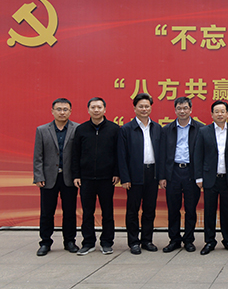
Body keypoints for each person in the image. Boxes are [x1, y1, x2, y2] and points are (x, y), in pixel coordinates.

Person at [71, 97, 120, 256]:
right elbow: (75, 154)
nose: (96, 110)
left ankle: (107, 242)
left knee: (107, 212)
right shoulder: (81, 129)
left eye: (99, 107)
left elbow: (118, 153)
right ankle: (88, 242)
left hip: (107, 178)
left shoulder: (114, 129)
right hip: (86, 178)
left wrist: (117, 173)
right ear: (88, 110)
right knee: (87, 212)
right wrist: (76, 174)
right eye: (93, 107)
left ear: (105, 109)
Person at [117, 93, 164, 255]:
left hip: (152, 174)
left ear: (151, 108)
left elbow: (162, 154)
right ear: (135, 108)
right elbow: (121, 156)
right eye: (141, 106)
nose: (144, 109)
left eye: (147, 106)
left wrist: (161, 176)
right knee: (133, 210)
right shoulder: (126, 129)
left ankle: (147, 240)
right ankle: (133, 242)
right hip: (134, 174)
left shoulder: (157, 128)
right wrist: (125, 178)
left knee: (149, 209)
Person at [33, 98, 79, 256]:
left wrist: (78, 175)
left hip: (69, 177)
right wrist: (38, 176)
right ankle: (45, 242)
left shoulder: (77, 129)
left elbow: (79, 155)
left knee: (70, 211)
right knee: (47, 212)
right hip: (48, 177)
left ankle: (70, 241)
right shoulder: (42, 130)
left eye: (65, 109)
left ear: (70, 111)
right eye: (58, 109)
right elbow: (38, 156)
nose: (62, 112)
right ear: (52, 111)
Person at [193, 100, 228, 255]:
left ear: (227, 113)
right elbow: (198, 155)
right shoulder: (203, 131)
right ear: (212, 114)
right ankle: (209, 241)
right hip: (209, 178)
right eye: (217, 112)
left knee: (227, 211)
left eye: (222, 111)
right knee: (209, 211)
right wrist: (199, 177)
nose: (220, 114)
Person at [162, 97, 204, 253]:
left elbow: (203, 155)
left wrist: (200, 176)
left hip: (191, 172)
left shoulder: (200, 128)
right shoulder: (167, 129)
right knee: (173, 208)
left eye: (185, 108)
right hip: (173, 172)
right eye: (179, 108)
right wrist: (162, 176)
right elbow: (162, 154)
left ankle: (188, 240)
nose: (182, 111)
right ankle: (174, 240)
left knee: (190, 209)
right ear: (175, 110)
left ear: (191, 110)